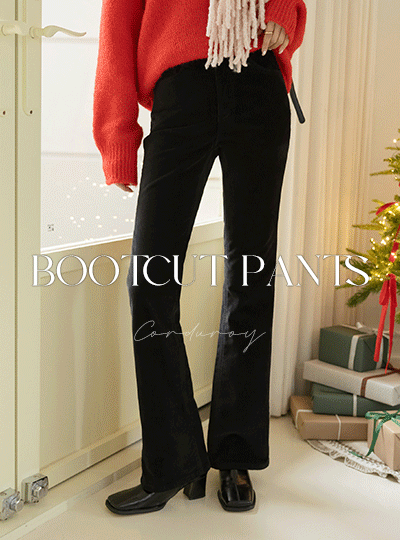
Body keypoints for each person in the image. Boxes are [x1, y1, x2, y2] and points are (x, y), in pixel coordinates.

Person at [93, 0, 307, 514]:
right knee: (150, 280)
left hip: (258, 82)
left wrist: (285, 9)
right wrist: (118, 133)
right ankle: (173, 461)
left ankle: (235, 454)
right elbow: (117, 24)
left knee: (250, 277)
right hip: (181, 88)